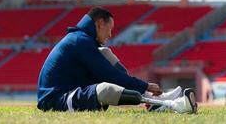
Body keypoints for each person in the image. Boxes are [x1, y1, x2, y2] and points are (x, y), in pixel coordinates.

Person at [37, 7, 197, 113]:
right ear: (100, 23)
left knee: (105, 53)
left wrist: (141, 86)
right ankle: (169, 105)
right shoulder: (80, 41)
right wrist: (144, 84)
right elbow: (108, 75)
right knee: (105, 89)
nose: (110, 34)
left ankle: (153, 100)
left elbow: (110, 72)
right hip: (54, 101)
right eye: (110, 29)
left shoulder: (81, 39)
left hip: (68, 92)